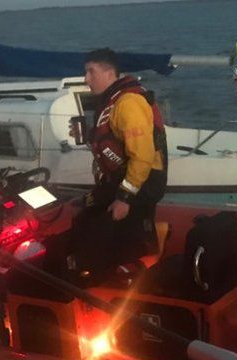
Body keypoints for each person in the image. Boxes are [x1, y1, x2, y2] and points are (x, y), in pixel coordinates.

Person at [61, 48, 168, 282]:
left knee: (97, 225)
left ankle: (108, 276)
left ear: (110, 73)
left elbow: (142, 156)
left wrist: (124, 198)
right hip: (121, 178)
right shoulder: (113, 101)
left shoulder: (128, 103)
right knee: (84, 213)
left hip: (141, 182)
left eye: (91, 72)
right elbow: (113, 139)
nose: (86, 79)